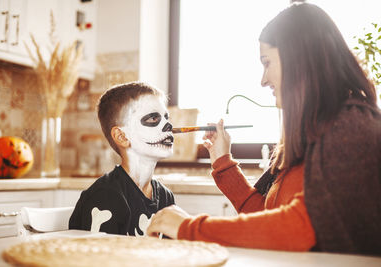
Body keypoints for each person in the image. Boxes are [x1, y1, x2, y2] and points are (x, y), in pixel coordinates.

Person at [147, 2, 381, 255]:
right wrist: (223, 162)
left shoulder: (352, 128)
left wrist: (189, 227)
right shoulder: (317, 132)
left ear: (299, 59)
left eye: (267, 62)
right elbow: (267, 218)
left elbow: (298, 229)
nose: (263, 79)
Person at [69, 82, 175, 236]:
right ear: (122, 136)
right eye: (153, 118)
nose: (168, 126)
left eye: (166, 118)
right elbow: (98, 258)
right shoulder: (106, 196)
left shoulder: (165, 197)